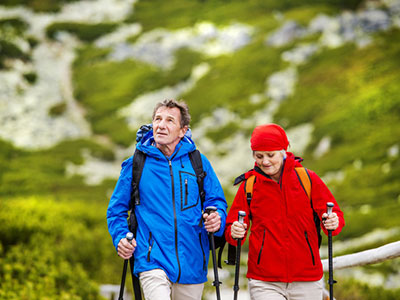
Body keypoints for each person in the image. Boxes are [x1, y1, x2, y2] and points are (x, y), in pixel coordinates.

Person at [107, 99, 227, 300]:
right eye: (157, 119)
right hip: (151, 259)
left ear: (182, 130)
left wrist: (217, 218)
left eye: (170, 120)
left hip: (192, 261)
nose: (161, 125)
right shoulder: (136, 163)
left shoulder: (198, 162)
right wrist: (120, 237)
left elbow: (216, 201)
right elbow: (116, 210)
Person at [224, 123, 345, 300]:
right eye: (259, 156)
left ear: (283, 151)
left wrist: (333, 222)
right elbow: (231, 230)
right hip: (264, 280)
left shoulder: (307, 179)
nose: (265, 161)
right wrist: (234, 231)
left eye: (270, 155)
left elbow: (335, 218)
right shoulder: (249, 186)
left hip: (307, 278)